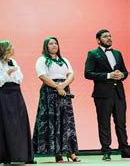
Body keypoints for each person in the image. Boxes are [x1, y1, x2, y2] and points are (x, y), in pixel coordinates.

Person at [33, 37, 80, 162]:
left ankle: (70, 151)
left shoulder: (64, 60)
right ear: (46, 46)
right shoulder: (42, 60)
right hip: (50, 91)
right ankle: (57, 153)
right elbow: (42, 76)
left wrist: (63, 86)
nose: (54, 45)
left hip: (64, 91)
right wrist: (57, 87)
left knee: (66, 121)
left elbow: (71, 74)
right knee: (52, 121)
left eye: (56, 43)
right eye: (51, 43)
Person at [84, 29, 129, 161]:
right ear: (98, 40)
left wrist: (122, 75)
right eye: (105, 36)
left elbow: (125, 72)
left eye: (110, 36)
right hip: (102, 94)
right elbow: (88, 73)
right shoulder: (93, 54)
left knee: (121, 122)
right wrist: (108, 75)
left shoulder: (117, 53)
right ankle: (106, 151)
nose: (109, 38)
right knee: (104, 123)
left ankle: (125, 149)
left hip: (119, 93)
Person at [0, 40, 34, 165]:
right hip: (4, 94)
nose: (13, 48)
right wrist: (8, 72)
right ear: (4, 50)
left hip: (16, 92)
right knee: (7, 124)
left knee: (20, 122)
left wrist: (13, 73)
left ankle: (23, 155)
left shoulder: (12, 61)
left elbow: (20, 78)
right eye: (11, 47)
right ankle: (8, 157)